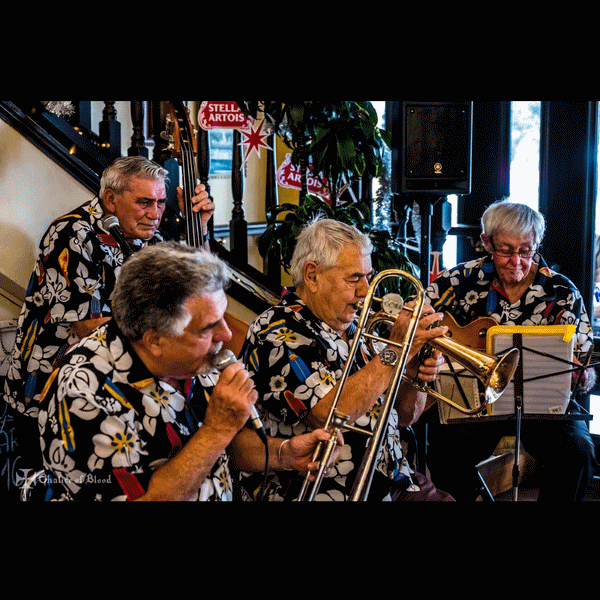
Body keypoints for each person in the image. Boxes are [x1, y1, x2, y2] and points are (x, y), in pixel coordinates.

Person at [35, 242, 338, 501]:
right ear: (155, 339)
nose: (226, 335)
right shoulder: (83, 392)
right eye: (209, 327)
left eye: (223, 317)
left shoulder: (195, 359)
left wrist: (284, 454)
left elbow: (224, 450)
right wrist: (216, 428)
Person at [2, 156, 213, 495]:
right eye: (144, 202)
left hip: (115, 390)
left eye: (161, 202)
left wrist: (198, 227)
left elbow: (193, 292)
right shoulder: (72, 233)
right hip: (49, 390)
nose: (155, 212)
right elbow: (91, 327)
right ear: (111, 198)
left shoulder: (149, 236)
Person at [237, 217, 454, 501]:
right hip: (326, 490)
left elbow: (404, 417)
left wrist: (413, 374)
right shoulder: (278, 331)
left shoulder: (356, 327)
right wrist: (398, 351)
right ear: (312, 276)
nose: (366, 290)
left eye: (368, 277)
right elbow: (330, 414)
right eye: (354, 278)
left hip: (392, 479)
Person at [425, 199, 598, 501]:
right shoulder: (456, 282)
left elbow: (585, 368)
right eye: (505, 250)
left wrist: (581, 377)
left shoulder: (563, 292)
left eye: (525, 250)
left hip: (544, 408)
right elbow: (419, 324)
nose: (516, 260)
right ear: (486, 242)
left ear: (536, 244)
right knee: (444, 449)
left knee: (578, 452)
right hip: (475, 404)